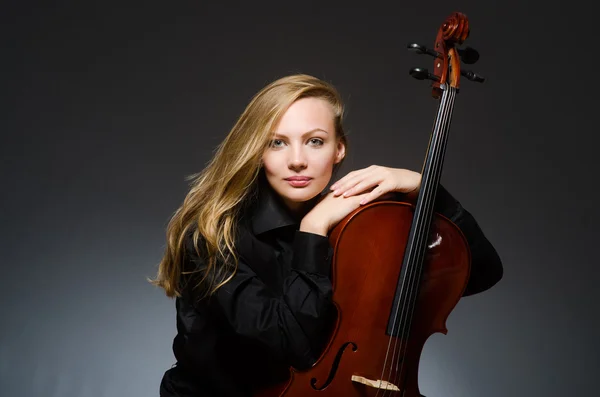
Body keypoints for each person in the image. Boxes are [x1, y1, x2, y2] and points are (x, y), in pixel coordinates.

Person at [151, 74, 503, 397]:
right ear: (258, 152)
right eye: (277, 143)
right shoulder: (211, 236)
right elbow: (291, 345)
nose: (298, 161)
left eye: (315, 141)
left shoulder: (363, 226)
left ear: (339, 149)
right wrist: (313, 229)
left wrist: (426, 189)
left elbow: (480, 272)